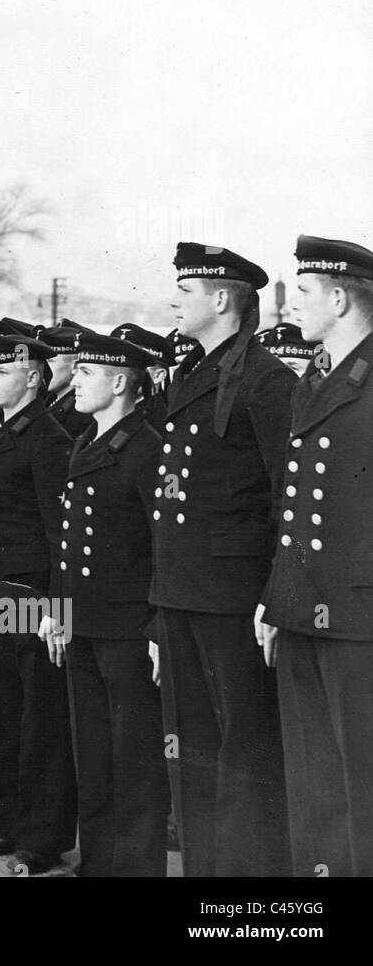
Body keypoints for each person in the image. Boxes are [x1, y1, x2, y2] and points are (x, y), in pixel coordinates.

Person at [150, 241, 293, 877]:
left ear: (221, 299)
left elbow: (286, 497)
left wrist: (274, 592)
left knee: (244, 752)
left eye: (185, 291)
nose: (174, 300)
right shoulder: (194, 372)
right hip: (181, 592)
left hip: (233, 595)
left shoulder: (266, 381)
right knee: (192, 751)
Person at [259, 234, 373, 877]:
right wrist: (276, 596)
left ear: (338, 296)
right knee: (314, 782)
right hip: (302, 607)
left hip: (359, 613)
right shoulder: (315, 379)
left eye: (302, 292)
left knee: (363, 787)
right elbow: (291, 503)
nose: (292, 305)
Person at [45, 330, 169, 876]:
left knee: (135, 758)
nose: (74, 381)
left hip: (127, 629)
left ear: (120, 382)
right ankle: (97, 863)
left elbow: (166, 547)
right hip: (84, 622)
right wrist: (56, 611)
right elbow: (66, 540)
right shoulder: (87, 441)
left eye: (87, 374)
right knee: (91, 752)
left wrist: (158, 629)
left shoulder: (147, 449)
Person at [0, 331, 76, 876]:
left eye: (1, 373)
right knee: (3, 709)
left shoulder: (47, 439)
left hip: (30, 595)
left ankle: (41, 836)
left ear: (33, 377)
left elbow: (62, 535)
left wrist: (58, 607)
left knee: (39, 718)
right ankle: (9, 820)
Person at [37, 323, 93, 438]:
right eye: (42, 363)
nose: (43, 369)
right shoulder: (48, 399)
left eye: (50, 362)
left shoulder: (82, 413)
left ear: (74, 367)